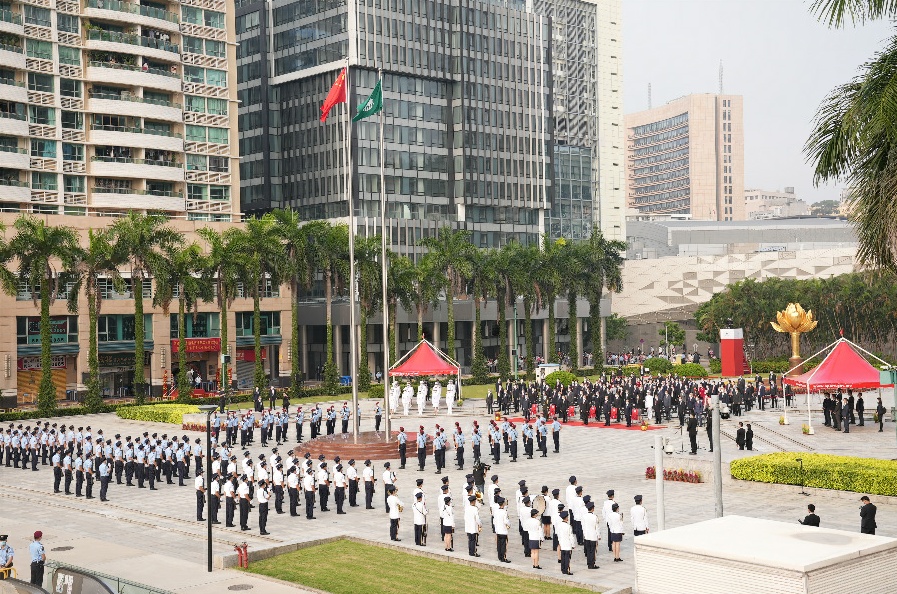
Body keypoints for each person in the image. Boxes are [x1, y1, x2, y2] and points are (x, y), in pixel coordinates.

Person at [582, 501, 601, 569]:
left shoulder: (584, 516)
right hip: (593, 536)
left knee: (588, 550)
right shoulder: (595, 517)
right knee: (593, 551)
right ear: (592, 509)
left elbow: (583, 526)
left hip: (587, 536)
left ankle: (589, 563)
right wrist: (599, 536)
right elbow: (597, 527)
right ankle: (592, 564)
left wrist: (584, 534)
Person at [556, 510, 575, 575]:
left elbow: (558, 534)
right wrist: (573, 544)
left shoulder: (559, 525)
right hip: (568, 544)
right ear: (566, 517)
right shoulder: (568, 526)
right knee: (567, 558)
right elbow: (571, 536)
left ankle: (563, 569)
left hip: (562, 543)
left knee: (563, 557)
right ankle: (567, 570)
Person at [494, 496, 511, 562]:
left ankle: (499, 556)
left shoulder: (496, 511)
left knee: (499, 545)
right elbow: (506, 521)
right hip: (503, 530)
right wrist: (509, 524)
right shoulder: (504, 512)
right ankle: (503, 557)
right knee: (504, 545)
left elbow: (494, 521)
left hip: (498, 530)